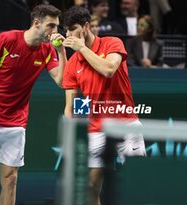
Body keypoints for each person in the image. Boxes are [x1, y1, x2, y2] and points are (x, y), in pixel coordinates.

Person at [0, 4, 66, 205]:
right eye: (51, 26)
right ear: (36, 23)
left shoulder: (47, 50)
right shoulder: (6, 40)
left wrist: (61, 52)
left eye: (57, 27)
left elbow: (61, 81)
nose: (54, 31)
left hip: (15, 123)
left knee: (11, 179)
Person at [62, 6, 146, 205]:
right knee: (92, 185)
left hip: (126, 123)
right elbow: (73, 106)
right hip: (96, 128)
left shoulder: (112, 43)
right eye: (66, 31)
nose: (69, 35)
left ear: (85, 27)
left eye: (72, 29)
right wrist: (71, 135)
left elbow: (108, 69)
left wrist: (82, 48)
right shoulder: (73, 64)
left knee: (138, 182)